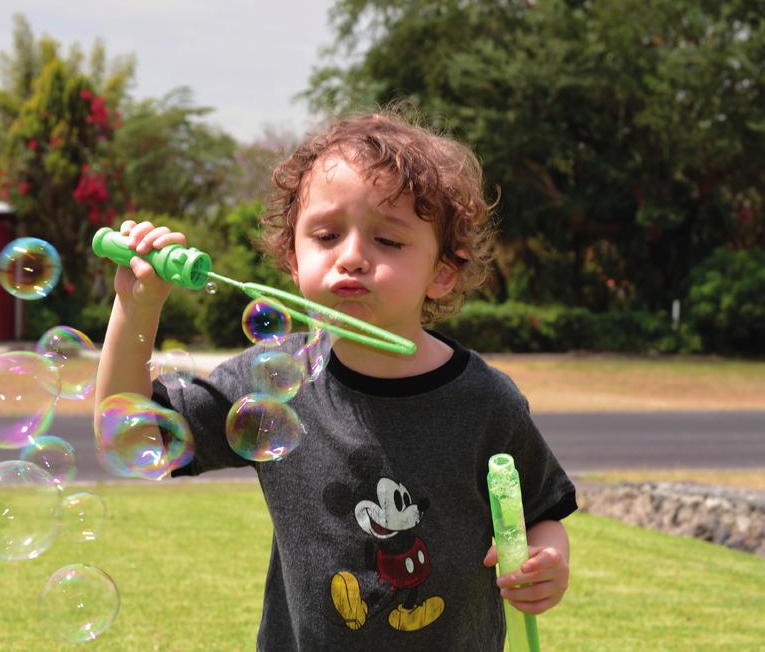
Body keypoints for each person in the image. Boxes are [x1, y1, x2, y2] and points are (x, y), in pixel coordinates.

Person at [95, 112, 575, 650]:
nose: (351, 257)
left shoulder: (486, 402)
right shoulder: (273, 380)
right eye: (325, 235)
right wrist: (135, 311)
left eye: (388, 241)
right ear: (292, 260)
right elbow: (131, 437)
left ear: (442, 272)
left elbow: (541, 512)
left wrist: (547, 561)